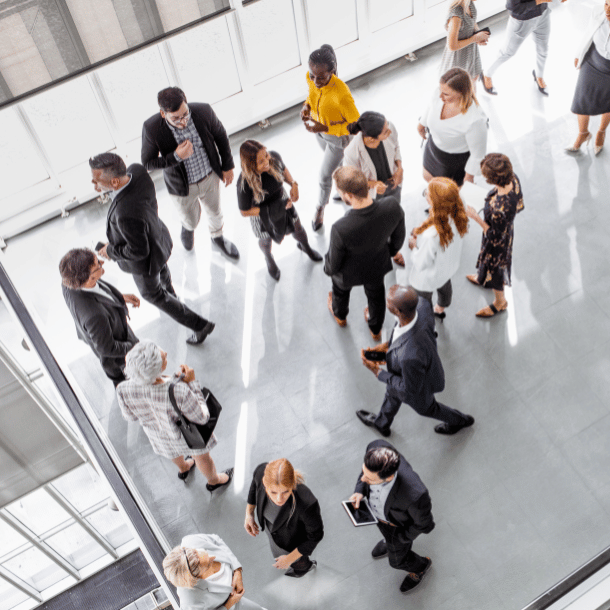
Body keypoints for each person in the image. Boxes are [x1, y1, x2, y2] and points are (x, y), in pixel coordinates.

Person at [90, 153, 214, 346]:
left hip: (145, 262)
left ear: (114, 182)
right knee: (162, 270)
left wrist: (111, 251)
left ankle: (199, 326)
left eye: (96, 182)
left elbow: (138, 251)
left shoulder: (124, 213)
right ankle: (171, 294)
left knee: (153, 294)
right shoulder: (137, 171)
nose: (95, 186)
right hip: (158, 238)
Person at [357, 285, 475, 436]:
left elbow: (409, 388)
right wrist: (387, 347)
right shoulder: (422, 305)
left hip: (417, 387)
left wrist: (378, 373)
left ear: (398, 311)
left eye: (388, 302)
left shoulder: (410, 356)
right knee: (392, 393)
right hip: (411, 368)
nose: (386, 303)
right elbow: (405, 335)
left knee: (428, 408)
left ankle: (460, 421)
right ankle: (382, 424)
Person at [116, 341, 233, 491]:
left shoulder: (122, 389)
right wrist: (192, 383)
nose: (166, 354)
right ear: (158, 369)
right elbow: (203, 417)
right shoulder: (179, 391)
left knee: (171, 452)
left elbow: (130, 417)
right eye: (163, 358)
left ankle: (184, 467)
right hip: (187, 437)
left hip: (158, 436)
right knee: (201, 458)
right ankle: (214, 480)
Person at [141, 87, 239, 258]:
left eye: (185, 114)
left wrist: (227, 166)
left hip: (209, 175)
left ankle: (217, 237)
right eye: (176, 118)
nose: (183, 121)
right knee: (191, 220)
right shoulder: (151, 128)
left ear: (186, 101)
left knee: (215, 212)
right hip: (181, 187)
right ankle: (188, 228)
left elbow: (220, 135)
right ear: (163, 114)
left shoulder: (203, 110)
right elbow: (148, 163)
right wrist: (176, 156)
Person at [324, 167, 405, 341]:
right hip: (376, 265)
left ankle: (340, 316)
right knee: (376, 296)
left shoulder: (341, 228)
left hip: (347, 274)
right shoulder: (392, 206)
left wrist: (327, 268)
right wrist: (389, 252)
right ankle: (375, 329)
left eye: (339, 192)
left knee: (339, 292)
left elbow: (333, 265)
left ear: (349, 195)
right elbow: (399, 238)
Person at [349, 440, 434, 594]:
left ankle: (421, 566)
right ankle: (388, 542)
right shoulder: (376, 447)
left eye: (369, 479)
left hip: (398, 529)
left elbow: (426, 525)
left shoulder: (415, 496)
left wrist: (401, 538)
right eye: (364, 472)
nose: (363, 479)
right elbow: (364, 474)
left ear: (388, 478)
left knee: (397, 562)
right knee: (386, 534)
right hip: (383, 518)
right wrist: (360, 490)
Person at [237, 140, 321, 281]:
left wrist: (293, 184)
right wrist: (271, 210)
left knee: (297, 227)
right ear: (251, 166)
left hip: (283, 201)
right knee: (265, 240)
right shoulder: (244, 183)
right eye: (261, 161)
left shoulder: (273, 158)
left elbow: (284, 170)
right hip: (261, 214)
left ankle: (305, 247)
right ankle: (269, 258)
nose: (267, 161)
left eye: (266, 155)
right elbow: (244, 211)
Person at [300, 44, 360, 231]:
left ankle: (319, 209)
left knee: (325, 175)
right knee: (338, 166)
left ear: (332, 72)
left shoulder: (341, 93)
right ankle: (344, 189)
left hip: (337, 139)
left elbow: (356, 126)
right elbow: (312, 96)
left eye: (321, 77)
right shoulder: (311, 78)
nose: (315, 81)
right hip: (319, 134)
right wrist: (306, 107)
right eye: (312, 75)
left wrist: (326, 127)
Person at [59, 248, 139, 387]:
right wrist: (134, 347)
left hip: (108, 328)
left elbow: (98, 293)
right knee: (128, 385)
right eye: (98, 265)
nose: (102, 262)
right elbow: (107, 348)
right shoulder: (94, 316)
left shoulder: (69, 283)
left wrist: (120, 298)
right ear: (90, 278)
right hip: (120, 358)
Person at [465, 153, 524, 317]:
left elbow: (492, 235)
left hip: (498, 241)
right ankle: (482, 277)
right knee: (486, 258)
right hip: (504, 230)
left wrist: (475, 217)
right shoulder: (513, 178)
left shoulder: (500, 208)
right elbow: (519, 204)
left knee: (496, 268)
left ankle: (500, 302)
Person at [344, 111, 406, 267]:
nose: (389, 130)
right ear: (371, 138)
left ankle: (393, 250)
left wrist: (399, 168)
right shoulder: (351, 153)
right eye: (385, 131)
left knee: (393, 218)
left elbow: (396, 147)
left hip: (393, 185)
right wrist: (372, 184)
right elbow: (352, 179)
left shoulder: (389, 128)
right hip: (373, 195)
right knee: (377, 225)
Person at [245, 458, 323, 578]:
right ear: (265, 484)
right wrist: (249, 514)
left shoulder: (306, 503)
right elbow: (254, 487)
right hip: (274, 531)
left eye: (286, 492)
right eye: (273, 492)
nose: (279, 499)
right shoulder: (261, 471)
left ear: (292, 484)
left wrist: (289, 559)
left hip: (293, 543)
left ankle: (305, 567)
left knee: (299, 563)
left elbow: (316, 535)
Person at [408, 177, 469, 320]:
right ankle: (441, 308)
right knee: (444, 285)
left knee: (422, 300)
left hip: (428, 276)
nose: (426, 198)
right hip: (449, 265)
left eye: (428, 196)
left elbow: (421, 263)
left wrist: (413, 247)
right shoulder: (459, 205)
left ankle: (427, 321)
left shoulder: (432, 236)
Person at [480, 0, 567, 96]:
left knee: (543, 50)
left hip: (543, 15)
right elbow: (514, 7)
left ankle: (539, 76)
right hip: (522, 21)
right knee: (508, 52)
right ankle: (486, 74)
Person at [417, 68, 488, 187]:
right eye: (440, 90)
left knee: (450, 190)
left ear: (461, 92)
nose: (440, 96)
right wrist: (422, 124)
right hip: (433, 148)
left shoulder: (475, 120)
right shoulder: (439, 94)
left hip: (454, 161)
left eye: (445, 94)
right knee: (427, 176)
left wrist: (468, 178)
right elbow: (431, 106)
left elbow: (477, 155)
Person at [163, 533, 268, 610]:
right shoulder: (190, 599)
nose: (213, 557)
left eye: (205, 553)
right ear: (197, 578)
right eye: (208, 564)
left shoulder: (191, 541)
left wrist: (237, 570)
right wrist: (229, 604)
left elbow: (216, 540)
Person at [566, 0, 610, 155]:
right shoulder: (598, 11)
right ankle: (583, 134)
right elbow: (588, 33)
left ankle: (601, 132)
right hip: (592, 61)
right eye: (606, 4)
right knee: (581, 100)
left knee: (608, 103)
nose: (608, 10)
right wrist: (579, 53)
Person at [439, 0, 490, 80]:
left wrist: (478, 33)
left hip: (471, 52)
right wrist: (475, 38)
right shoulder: (456, 15)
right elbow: (452, 46)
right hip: (458, 59)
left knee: (474, 79)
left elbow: (472, 22)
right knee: (460, 86)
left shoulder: (469, 3)